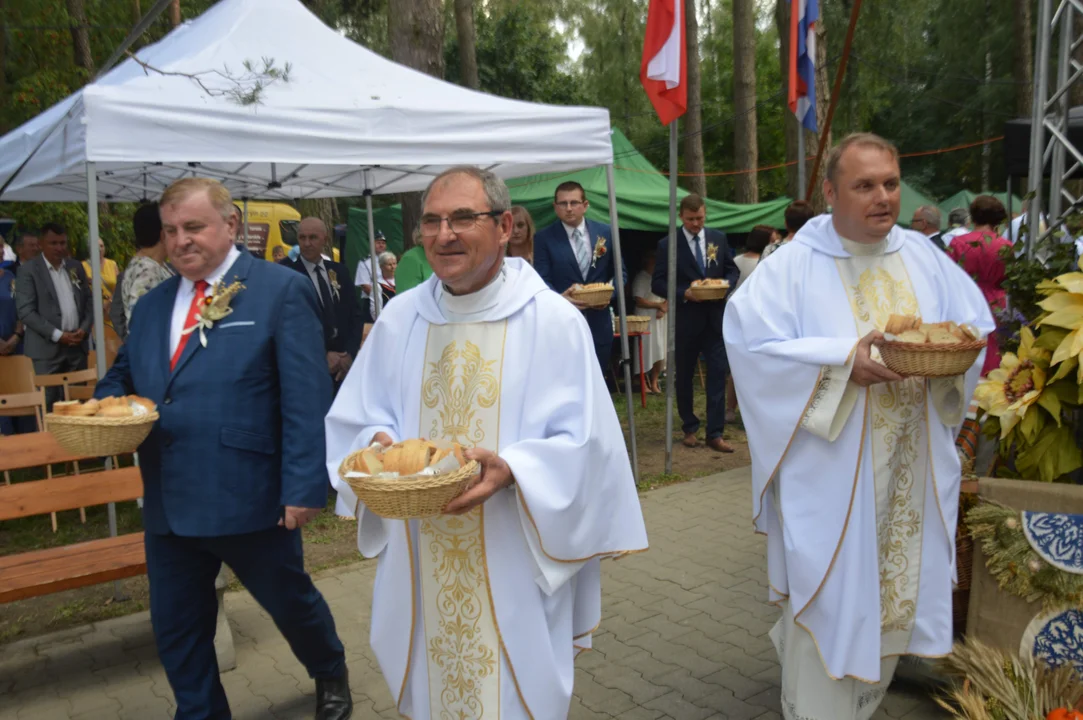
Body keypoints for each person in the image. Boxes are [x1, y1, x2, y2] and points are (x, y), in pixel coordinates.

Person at [325, 166, 648, 719]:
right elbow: (357, 415)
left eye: (462, 219)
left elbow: (585, 443)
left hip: (513, 554)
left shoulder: (552, 321)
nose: (444, 234)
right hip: (420, 554)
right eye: (431, 221)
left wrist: (515, 469)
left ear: (503, 227)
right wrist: (376, 441)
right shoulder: (401, 318)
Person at [723, 133, 994, 720]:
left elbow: (972, 327)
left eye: (890, 184)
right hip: (832, 472)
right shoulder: (793, 264)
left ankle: (863, 701)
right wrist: (844, 361)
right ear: (829, 191)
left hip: (909, 466)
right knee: (829, 597)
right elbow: (751, 344)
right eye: (864, 185)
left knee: (893, 594)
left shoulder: (922, 254)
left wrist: (947, 361)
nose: (882, 198)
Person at [95, 178, 353, 720]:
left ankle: (328, 666)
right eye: (170, 231)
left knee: (290, 603)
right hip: (169, 498)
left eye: (193, 227)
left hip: (250, 495)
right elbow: (118, 380)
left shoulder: (277, 290)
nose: (180, 241)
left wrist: (305, 486)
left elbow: (306, 399)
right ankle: (200, 712)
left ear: (230, 224)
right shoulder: (154, 304)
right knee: (178, 626)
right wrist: (104, 408)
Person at [652, 194, 739, 452]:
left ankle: (715, 433)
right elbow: (658, 282)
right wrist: (682, 293)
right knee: (685, 376)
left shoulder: (718, 238)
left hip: (715, 318)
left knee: (717, 374)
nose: (695, 224)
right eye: (690, 220)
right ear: (681, 217)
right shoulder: (668, 245)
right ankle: (689, 427)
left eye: (700, 218)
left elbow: (731, 269)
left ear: (705, 214)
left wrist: (726, 285)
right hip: (687, 318)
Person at [534, 180, 626, 376]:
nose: (568, 208)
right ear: (555, 207)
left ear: (585, 205)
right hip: (563, 322)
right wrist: (560, 298)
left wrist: (608, 295)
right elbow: (542, 280)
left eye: (574, 203)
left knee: (598, 378)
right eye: (563, 204)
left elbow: (621, 274)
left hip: (599, 321)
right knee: (566, 379)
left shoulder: (606, 233)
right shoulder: (543, 238)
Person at [15, 223, 92, 409]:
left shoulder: (76, 267)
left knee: (78, 404)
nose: (59, 248)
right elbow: (26, 311)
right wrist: (58, 335)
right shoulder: (29, 271)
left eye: (62, 243)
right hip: (46, 351)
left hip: (76, 347)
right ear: (41, 243)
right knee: (49, 404)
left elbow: (89, 302)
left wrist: (84, 328)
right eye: (53, 243)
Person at [280, 217, 362, 388]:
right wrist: (322, 354)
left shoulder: (339, 271)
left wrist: (349, 355)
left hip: (343, 368)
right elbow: (289, 325)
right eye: (302, 238)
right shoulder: (286, 273)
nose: (307, 243)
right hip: (308, 368)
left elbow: (355, 315)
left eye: (313, 237)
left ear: (325, 239)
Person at [948, 195, 1012, 376]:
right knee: (994, 352)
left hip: (965, 300)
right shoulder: (1005, 246)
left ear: (973, 215)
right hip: (997, 302)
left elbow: (949, 276)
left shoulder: (958, 243)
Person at [632, 251, 667, 394]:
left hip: (660, 319)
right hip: (645, 319)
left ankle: (654, 382)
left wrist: (664, 308)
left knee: (660, 349)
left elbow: (669, 294)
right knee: (645, 350)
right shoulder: (641, 277)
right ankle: (643, 383)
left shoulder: (659, 278)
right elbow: (639, 300)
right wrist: (657, 306)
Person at [82, 237, 120, 328]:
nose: (99, 249)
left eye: (102, 246)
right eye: (96, 246)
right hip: (93, 312)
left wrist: (109, 302)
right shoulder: (82, 266)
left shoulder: (112, 264)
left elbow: (119, 287)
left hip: (111, 310)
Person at [354, 230, 387, 323]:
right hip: (372, 302)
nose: (381, 245)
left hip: (388, 301)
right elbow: (365, 286)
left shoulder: (390, 261)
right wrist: (382, 297)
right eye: (378, 242)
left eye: (383, 243)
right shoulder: (364, 263)